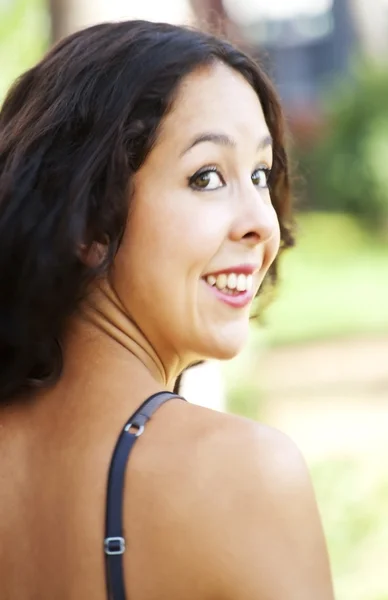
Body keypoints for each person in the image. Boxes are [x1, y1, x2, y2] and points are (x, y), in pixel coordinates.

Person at [0, 20, 334, 600]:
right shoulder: (243, 473)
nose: (263, 221)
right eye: (207, 176)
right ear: (89, 221)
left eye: (261, 174)